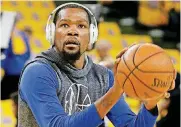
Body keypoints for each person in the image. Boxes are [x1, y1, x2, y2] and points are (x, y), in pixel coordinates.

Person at [18, 2, 175, 127]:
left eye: (81, 26)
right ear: (51, 33)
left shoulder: (104, 76)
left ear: (92, 36)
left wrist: (151, 101)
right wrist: (116, 91)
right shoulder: (38, 71)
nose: (72, 31)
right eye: (65, 25)